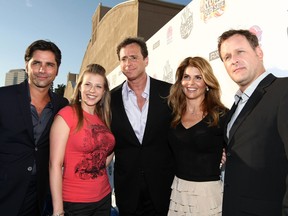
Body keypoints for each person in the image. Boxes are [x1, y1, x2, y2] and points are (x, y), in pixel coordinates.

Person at [217, 29, 288, 215]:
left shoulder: (283, 90)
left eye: (240, 52)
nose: (234, 60)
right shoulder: (234, 106)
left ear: (259, 53)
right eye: (227, 57)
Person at [0, 40, 69, 216]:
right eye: (36, 63)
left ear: (57, 70)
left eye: (49, 65)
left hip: (37, 194)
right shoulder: (3, 97)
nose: (42, 70)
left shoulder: (62, 105)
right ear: (26, 65)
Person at [110, 37, 175, 216]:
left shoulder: (170, 93)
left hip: (163, 187)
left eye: (133, 57)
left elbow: (186, 128)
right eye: (123, 59)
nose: (128, 63)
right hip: (127, 189)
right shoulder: (110, 99)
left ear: (146, 60)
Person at [49, 63, 115, 216]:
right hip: (75, 202)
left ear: (104, 91)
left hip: (104, 197)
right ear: (79, 87)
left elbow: (105, 154)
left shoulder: (103, 118)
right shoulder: (66, 115)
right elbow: (55, 165)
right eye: (88, 84)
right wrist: (58, 211)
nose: (92, 90)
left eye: (98, 86)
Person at [167, 56, 228, 215]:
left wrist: (228, 154)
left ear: (207, 83)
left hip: (206, 194)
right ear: (180, 82)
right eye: (186, 77)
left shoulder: (220, 115)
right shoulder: (173, 115)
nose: (191, 83)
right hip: (178, 191)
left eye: (198, 77)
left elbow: (239, 148)